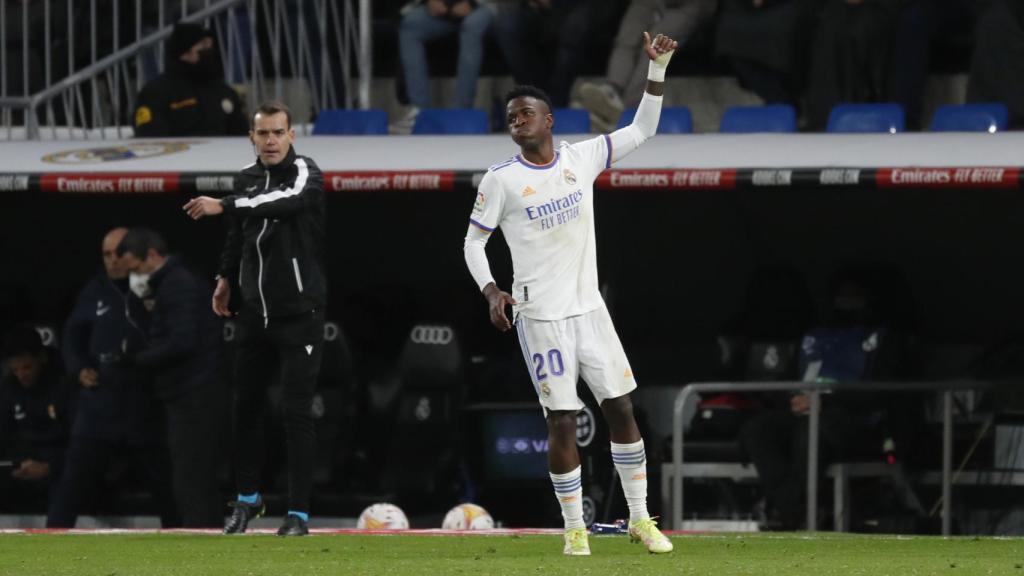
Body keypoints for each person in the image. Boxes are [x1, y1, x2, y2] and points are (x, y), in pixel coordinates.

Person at [462, 32, 678, 556]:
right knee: (562, 419)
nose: (518, 119)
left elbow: (644, 129)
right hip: (540, 318)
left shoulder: (582, 159)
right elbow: (473, 243)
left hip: (590, 312)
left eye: (527, 112)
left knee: (621, 408)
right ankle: (575, 529)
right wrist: (492, 290)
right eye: (511, 115)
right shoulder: (501, 180)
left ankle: (641, 519)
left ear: (549, 119)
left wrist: (658, 68)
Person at [183, 100, 327, 537]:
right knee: (243, 409)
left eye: (277, 132)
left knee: (295, 412)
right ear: (251, 136)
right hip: (254, 315)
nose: (269, 140)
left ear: (291, 136)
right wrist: (225, 278)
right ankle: (248, 500)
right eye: (262, 133)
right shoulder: (245, 180)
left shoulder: (307, 173)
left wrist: (225, 204)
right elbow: (239, 235)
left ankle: (298, 513)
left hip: (299, 314)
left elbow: (283, 202)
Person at [47, 227, 178, 528]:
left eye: (120, 253)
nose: (113, 260)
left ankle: (183, 547)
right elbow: (72, 336)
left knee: (166, 488)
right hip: (100, 405)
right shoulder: (95, 290)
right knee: (70, 486)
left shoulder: (155, 286)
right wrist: (79, 368)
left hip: (144, 404)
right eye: (107, 254)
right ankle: (47, 544)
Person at [116, 228, 224, 528]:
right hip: (187, 392)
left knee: (191, 478)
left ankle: (201, 541)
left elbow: (182, 342)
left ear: (152, 255)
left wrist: (137, 359)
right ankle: (210, 537)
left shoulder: (179, 285)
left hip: (194, 393)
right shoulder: (168, 284)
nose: (134, 276)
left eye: (136, 268)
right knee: (195, 476)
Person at [577, 0, 718, 132]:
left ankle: (627, 109)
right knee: (628, 35)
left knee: (656, 45)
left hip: (690, 3)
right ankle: (612, 91)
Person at [390, 0, 494, 133]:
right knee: (411, 25)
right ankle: (419, 112)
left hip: (483, 6)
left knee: (471, 26)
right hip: (442, 8)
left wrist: (472, 3)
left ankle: (462, 112)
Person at [0, 324, 72, 512]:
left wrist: (50, 467)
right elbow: (5, 431)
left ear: (42, 357)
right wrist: (18, 462)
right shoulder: (10, 387)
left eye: (26, 367)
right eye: (15, 370)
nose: (21, 375)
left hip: (61, 463)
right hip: (24, 462)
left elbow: (83, 443)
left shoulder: (64, 383)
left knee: (66, 488)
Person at [133, 21, 248, 137]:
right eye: (203, 45)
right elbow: (149, 137)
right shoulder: (156, 92)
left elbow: (242, 133)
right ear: (185, 52)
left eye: (210, 45)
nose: (209, 50)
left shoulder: (224, 91)